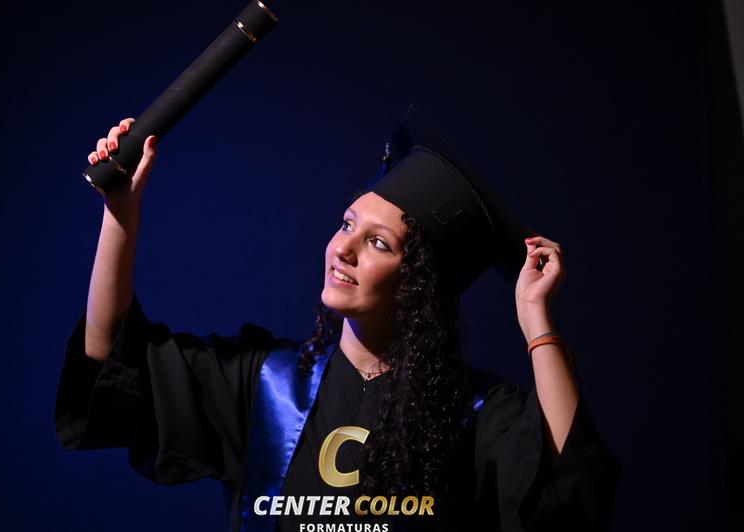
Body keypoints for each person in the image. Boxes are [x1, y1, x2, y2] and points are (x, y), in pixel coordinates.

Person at [54, 107, 621, 532]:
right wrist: (120, 215)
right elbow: (112, 361)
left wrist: (534, 316)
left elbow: (569, 487)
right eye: (347, 224)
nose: (342, 249)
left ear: (420, 285)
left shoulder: (474, 412)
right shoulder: (266, 386)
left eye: (378, 242)